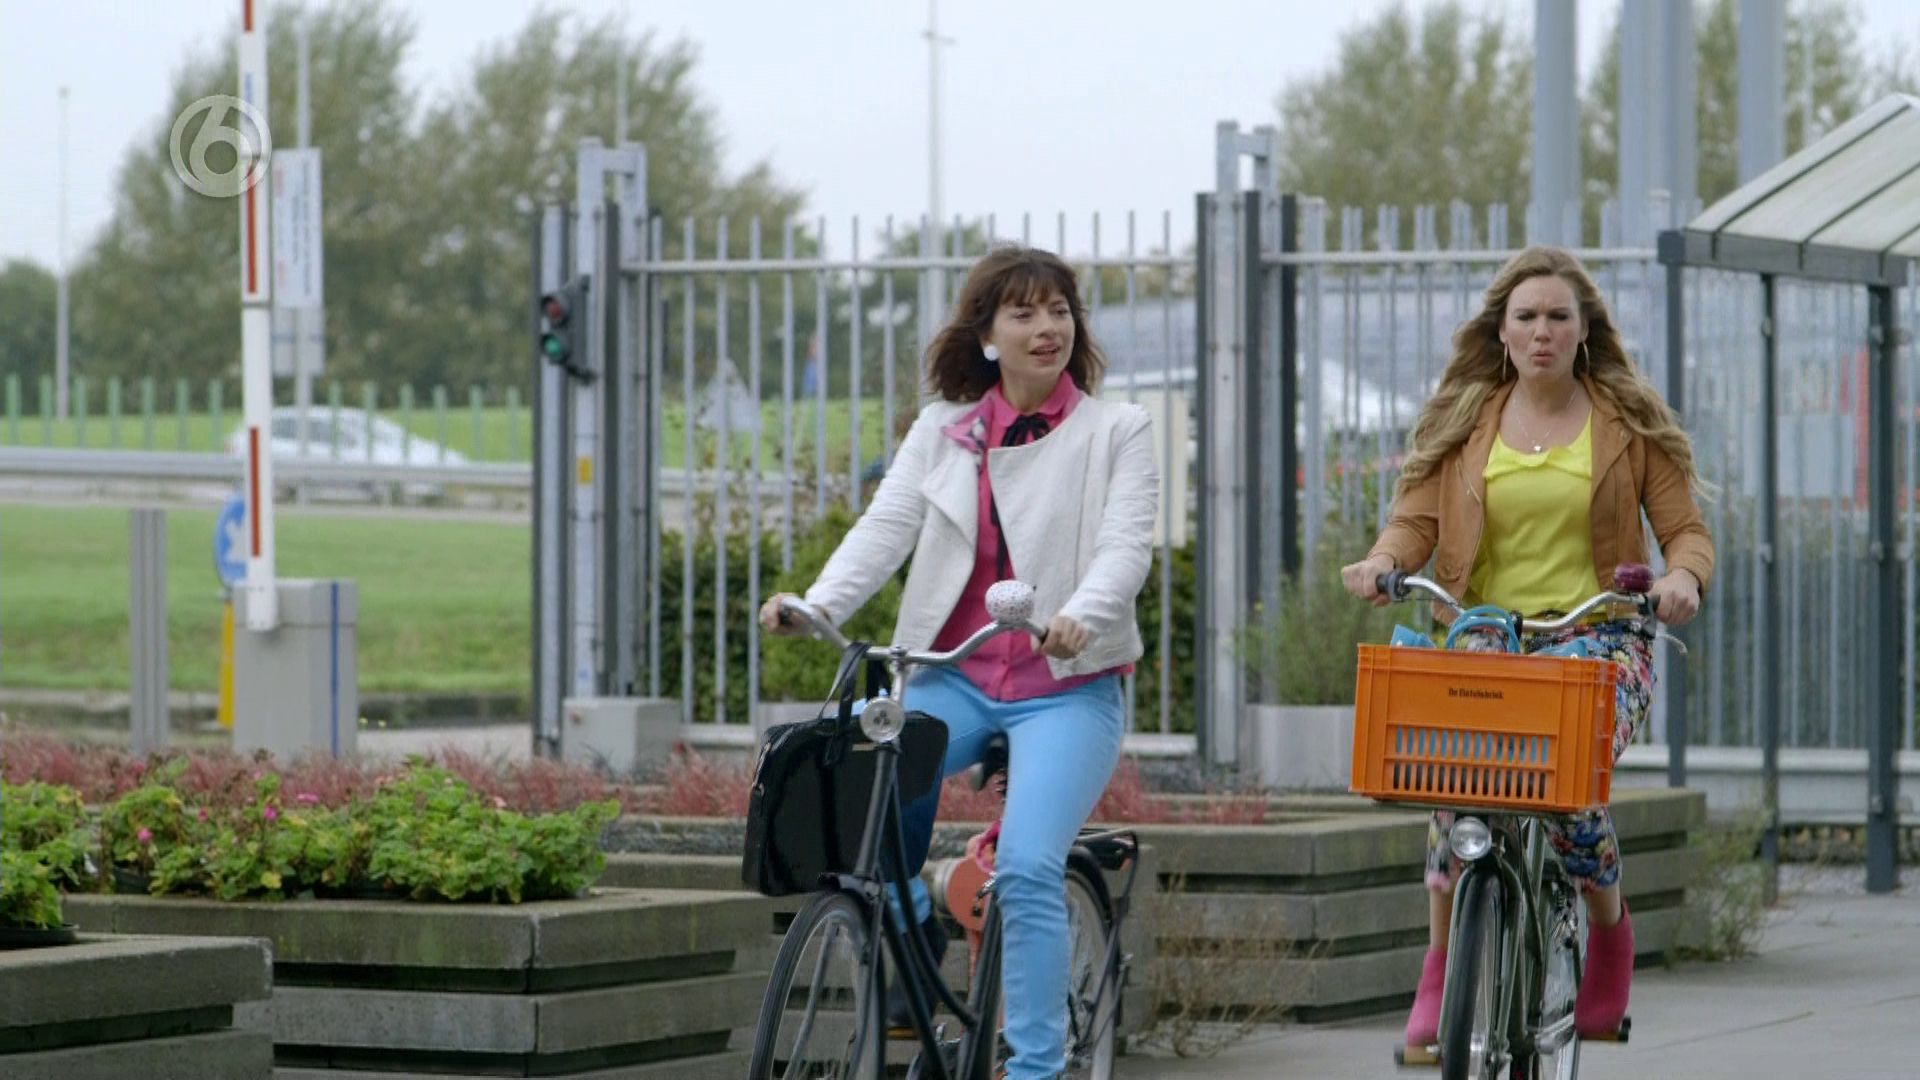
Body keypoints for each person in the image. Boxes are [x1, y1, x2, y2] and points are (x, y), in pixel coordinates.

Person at [760, 246, 1158, 1080]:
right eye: (1023, 313)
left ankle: (1035, 1067)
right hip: (956, 676)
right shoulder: (943, 430)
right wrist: (817, 605)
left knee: (1027, 867)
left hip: (1066, 691)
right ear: (985, 335)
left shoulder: (1116, 430)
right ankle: (914, 922)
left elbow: (1126, 548)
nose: (1047, 328)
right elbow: (885, 527)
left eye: (1059, 310)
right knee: (855, 769)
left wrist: (1083, 616)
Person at [1340, 246, 1713, 1054]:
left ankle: (1608, 930)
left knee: (1570, 779)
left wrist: (1681, 577)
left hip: (1599, 631)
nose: (1542, 330)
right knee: (1449, 778)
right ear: (1501, 332)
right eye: (1527, 317)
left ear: (1584, 332)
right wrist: (1382, 562)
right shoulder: (1465, 421)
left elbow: (1685, 531)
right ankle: (1441, 965)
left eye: (1558, 316)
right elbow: (1414, 522)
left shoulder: (1625, 426)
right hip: (1487, 633)